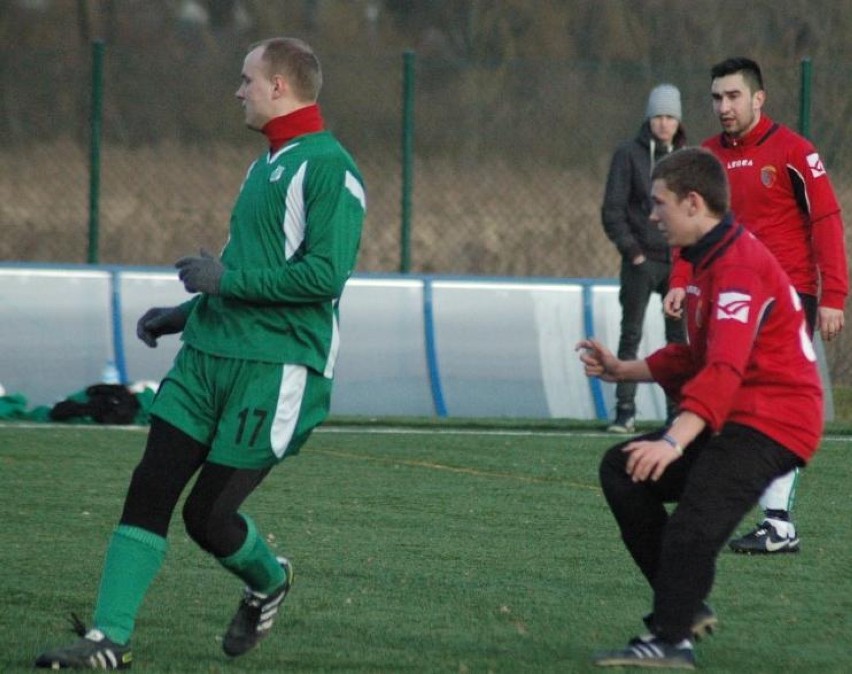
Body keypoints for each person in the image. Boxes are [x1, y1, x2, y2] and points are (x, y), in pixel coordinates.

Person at [35, 36, 366, 670]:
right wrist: (184, 314)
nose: (237, 90)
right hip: (207, 358)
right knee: (149, 486)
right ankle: (108, 640)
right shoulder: (266, 163)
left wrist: (223, 283)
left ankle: (269, 581)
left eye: (247, 79)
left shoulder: (329, 168)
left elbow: (325, 276)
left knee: (207, 516)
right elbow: (243, 270)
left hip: (274, 370)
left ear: (279, 87)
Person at [578, 147, 823, 669]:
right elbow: (695, 354)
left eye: (659, 203)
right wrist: (626, 370)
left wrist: (673, 440)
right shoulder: (709, 258)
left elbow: (723, 370)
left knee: (695, 523)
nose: (652, 215)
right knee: (622, 470)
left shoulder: (737, 264)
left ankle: (671, 640)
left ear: (693, 203)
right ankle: (683, 611)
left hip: (775, 420)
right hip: (741, 412)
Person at [665, 57, 847, 554]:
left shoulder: (794, 152)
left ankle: (778, 521)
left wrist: (833, 296)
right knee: (735, 396)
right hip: (728, 294)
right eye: (717, 98)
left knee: (766, 400)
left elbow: (826, 221)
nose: (724, 107)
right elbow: (687, 224)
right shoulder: (705, 158)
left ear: (758, 99)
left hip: (788, 294)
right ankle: (748, 508)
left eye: (733, 97)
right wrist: (681, 279)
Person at [601, 83, 687, 433]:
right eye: (658, 116)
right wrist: (632, 251)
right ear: (648, 119)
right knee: (630, 334)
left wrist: (687, 256)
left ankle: (677, 412)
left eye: (670, 116)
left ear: (678, 120)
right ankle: (625, 411)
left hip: (677, 263)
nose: (664, 123)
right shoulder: (628, 155)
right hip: (640, 260)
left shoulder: (687, 158)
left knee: (677, 341)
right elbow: (612, 209)